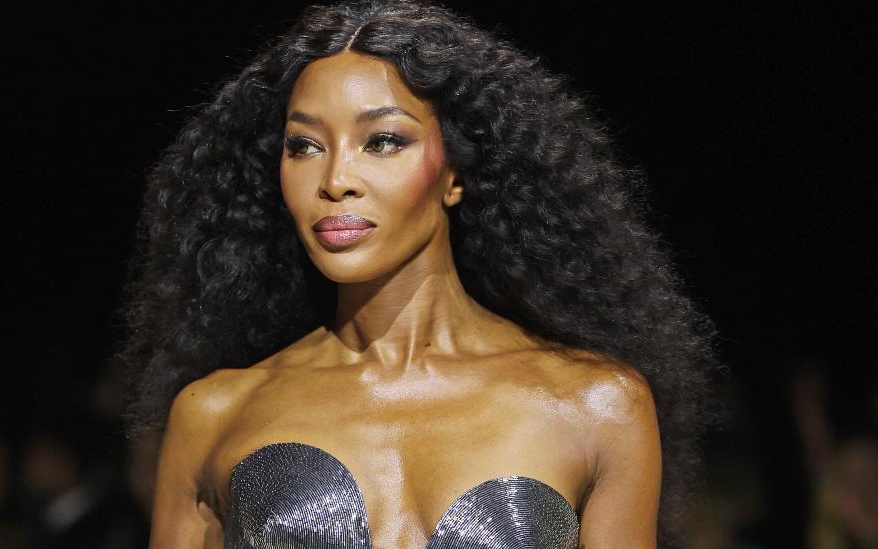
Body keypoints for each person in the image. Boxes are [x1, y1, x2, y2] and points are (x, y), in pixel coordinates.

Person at [120, 1, 722, 547]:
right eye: (304, 146)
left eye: (382, 140)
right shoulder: (215, 413)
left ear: (456, 173)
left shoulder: (596, 406)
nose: (334, 181)